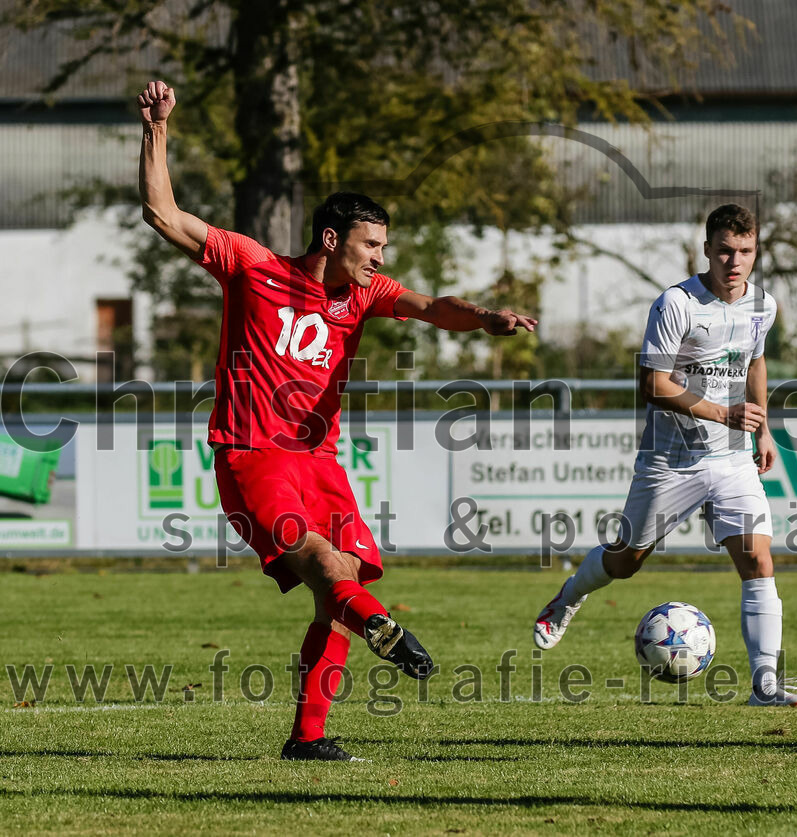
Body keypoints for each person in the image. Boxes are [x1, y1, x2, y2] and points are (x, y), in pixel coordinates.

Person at [137, 80, 538, 760]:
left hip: (320, 462)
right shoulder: (253, 266)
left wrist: (486, 320)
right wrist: (157, 127)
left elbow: (432, 306)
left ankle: (308, 738)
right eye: (371, 243)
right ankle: (387, 632)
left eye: (384, 245)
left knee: (338, 585)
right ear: (332, 237)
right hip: (252, 454)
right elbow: (161, 212)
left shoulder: (365, 294)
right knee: (328, 568)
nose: (381, 257)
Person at [533, 204, 797, 707]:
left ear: (755, 253)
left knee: (757, 557)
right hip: (670, 461)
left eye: (745, 252)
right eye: (725, 250)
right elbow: (652, 384)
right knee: (625, 562)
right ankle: (569, 595)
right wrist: (722, 414)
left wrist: (762, 428)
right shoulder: (676, 304)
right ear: (706, 249)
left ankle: (765, 684)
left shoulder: (763, 306)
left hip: (731, 460)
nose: (735, 261)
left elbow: (755, 360)